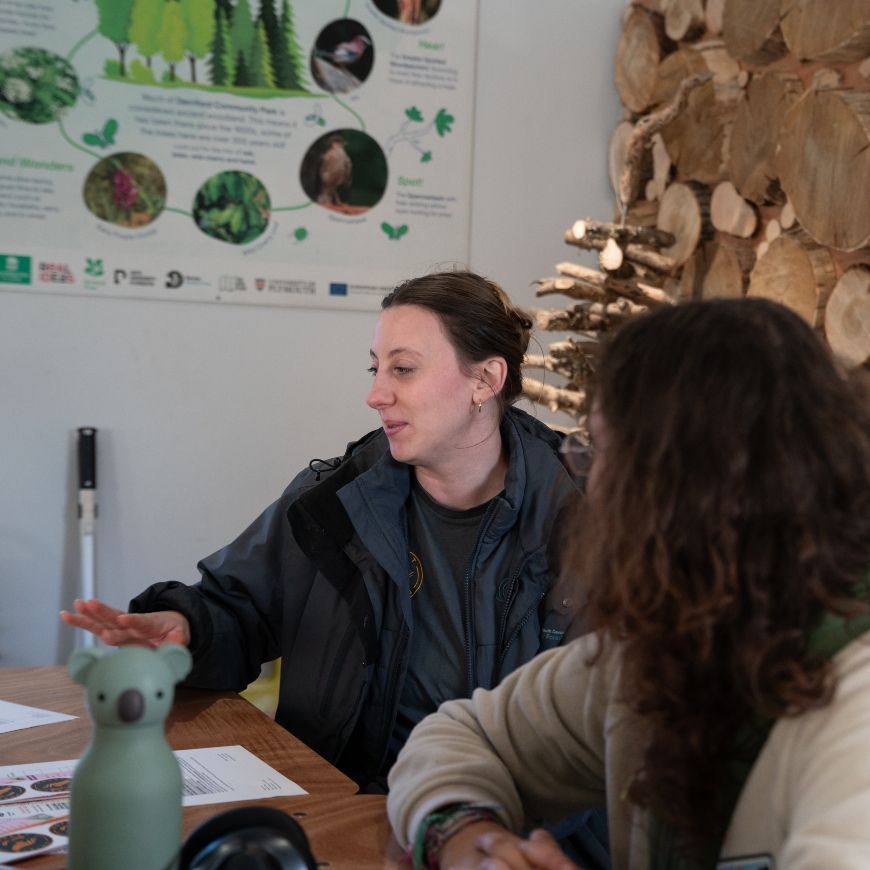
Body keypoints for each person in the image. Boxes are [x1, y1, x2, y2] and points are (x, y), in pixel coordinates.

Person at [59, 270, 587, 796]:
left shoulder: (595, 517)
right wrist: (184, 626)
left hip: (524, 834)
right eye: (376, 368)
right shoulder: (335, 500)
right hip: (353, 814)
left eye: (403, 369)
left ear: (486, 380)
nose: (376, 394)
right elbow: (239, 608)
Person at [387, 298, 870, 870]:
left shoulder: (855, 701)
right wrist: (470, 843)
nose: (593, 484)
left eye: (604, 451)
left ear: (682, 484)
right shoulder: (667, 648)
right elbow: (461, 736)